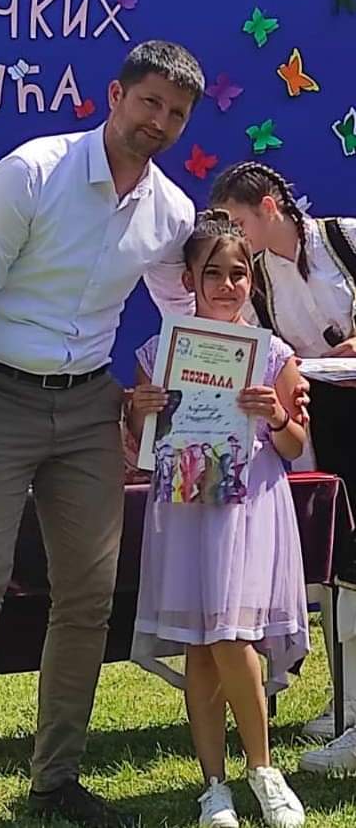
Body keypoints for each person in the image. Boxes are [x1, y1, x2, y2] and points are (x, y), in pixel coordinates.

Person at [0, 40, 207, 828]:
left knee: (87, 598)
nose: (159, 121)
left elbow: (181, 312)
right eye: (149, 102)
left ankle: (55, 781)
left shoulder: (172, 211)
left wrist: (217, 378)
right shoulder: (30, 172)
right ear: (114, 96)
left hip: (91, 407)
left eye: (176, 113)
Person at [129, 208, 309, 828]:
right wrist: (142, 408)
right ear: (189, 280)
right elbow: (141, 443)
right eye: (213, 274)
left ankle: (263, 770)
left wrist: (275, 415)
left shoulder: (272, 355)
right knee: (202, 644)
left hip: (249, 506)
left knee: (232, 635)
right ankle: (215, 786)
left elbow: (293, 446)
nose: (227, 286)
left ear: (251, 281)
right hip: (186, 504)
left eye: (238, 274)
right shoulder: (160, 353)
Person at [210, 161, 356, 773]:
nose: (235, 237)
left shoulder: (344, 237)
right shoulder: (260, 280)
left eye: (238, 221)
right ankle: (347, 702)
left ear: (268, 207)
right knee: (339, 562)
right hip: (322, 420)